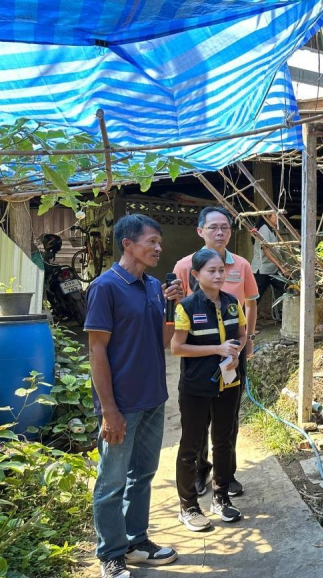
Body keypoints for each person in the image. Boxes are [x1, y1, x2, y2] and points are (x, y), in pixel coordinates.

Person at [85, 214, 184, 578]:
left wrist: (172, 306)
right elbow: (96, 350)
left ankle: (136, 542)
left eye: (159, 242)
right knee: (112, 481)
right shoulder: (105, 287)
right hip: (122, 404)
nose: (158, 248)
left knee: (143, 475)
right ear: (127, 244)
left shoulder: (154, 286)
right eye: (151, 241)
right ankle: (111, 554)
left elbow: (162, 342)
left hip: (153, 398)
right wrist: (109, 410)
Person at [173, 206, 258, 498]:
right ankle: (201, 471)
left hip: (232, 353)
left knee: (227, 419)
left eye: (225, 227)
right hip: (199, 354)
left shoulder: (241, 265)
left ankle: (226, 475)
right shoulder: (184, 265)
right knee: (198, 420)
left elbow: (250, 304)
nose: (220, 232)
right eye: (213, 227)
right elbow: (177, 308)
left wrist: (246, 342)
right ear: (201, 231)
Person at [171, 249, 247, 531]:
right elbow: (177, 347)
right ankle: (188, 507)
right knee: (191, 445)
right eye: (211, 271)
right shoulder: (187, 307)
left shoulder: (232, 302)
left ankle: (221, 497)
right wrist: (217, 349)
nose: (218, 275)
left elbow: (241, 334)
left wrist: (236, 351)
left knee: (224, 441)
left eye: (221, 270)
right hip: (196, 387)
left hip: (229, 383)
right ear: (196, 274)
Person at [251, 215, 286, 302]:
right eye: (275, 216)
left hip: (272, 270)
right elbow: (266, 252)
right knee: (254, 299)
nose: (278, 218)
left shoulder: (272, 230)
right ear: (267, 216)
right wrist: (281, 267)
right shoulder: (264, 229)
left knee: (286, 289)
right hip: (261, 271)